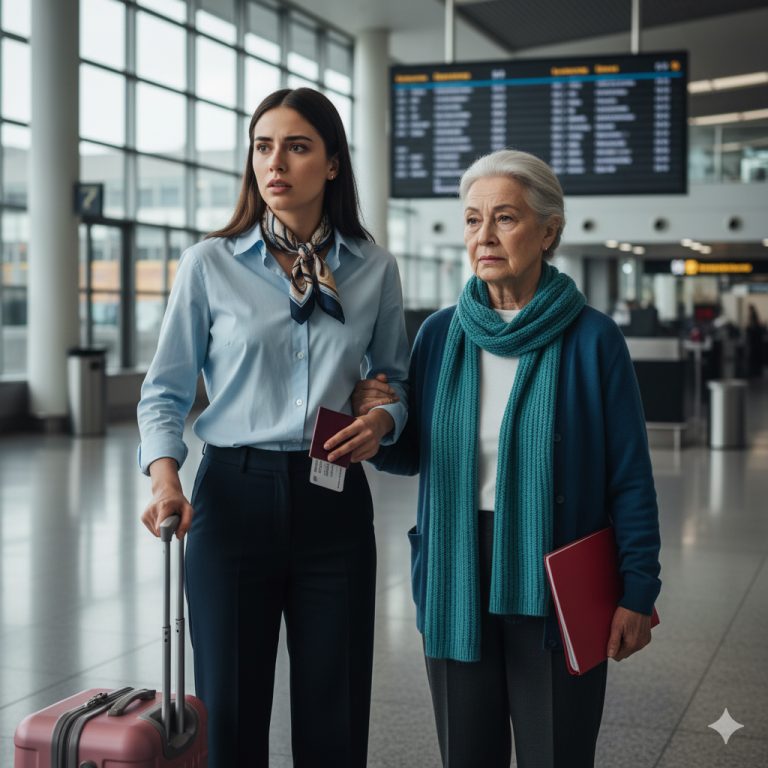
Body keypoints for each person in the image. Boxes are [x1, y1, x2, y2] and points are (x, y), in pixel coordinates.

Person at [336, 149, 661, 768]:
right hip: (458, 565)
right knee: (466, 753)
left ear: (549, 231)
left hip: (557, 575)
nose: (483, 236)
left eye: (505, 218)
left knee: (557, 752)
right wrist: (373, 425)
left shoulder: (593, 340)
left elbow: (630, 478)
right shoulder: (438, 334)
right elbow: (411, 455)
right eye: (472, 220)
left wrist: (639, 590)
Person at [137, 87, 409, 768]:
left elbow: (394, 383)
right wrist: (167, 478)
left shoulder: (373, 269)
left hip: (334, 497)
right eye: (263, 146)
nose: (275, 162)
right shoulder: (210, 264)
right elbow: (163, 393)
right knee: (228, 715)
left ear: (333, 164)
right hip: (233, 497)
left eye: (297, 145)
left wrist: (382, 417)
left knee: (334, 714)